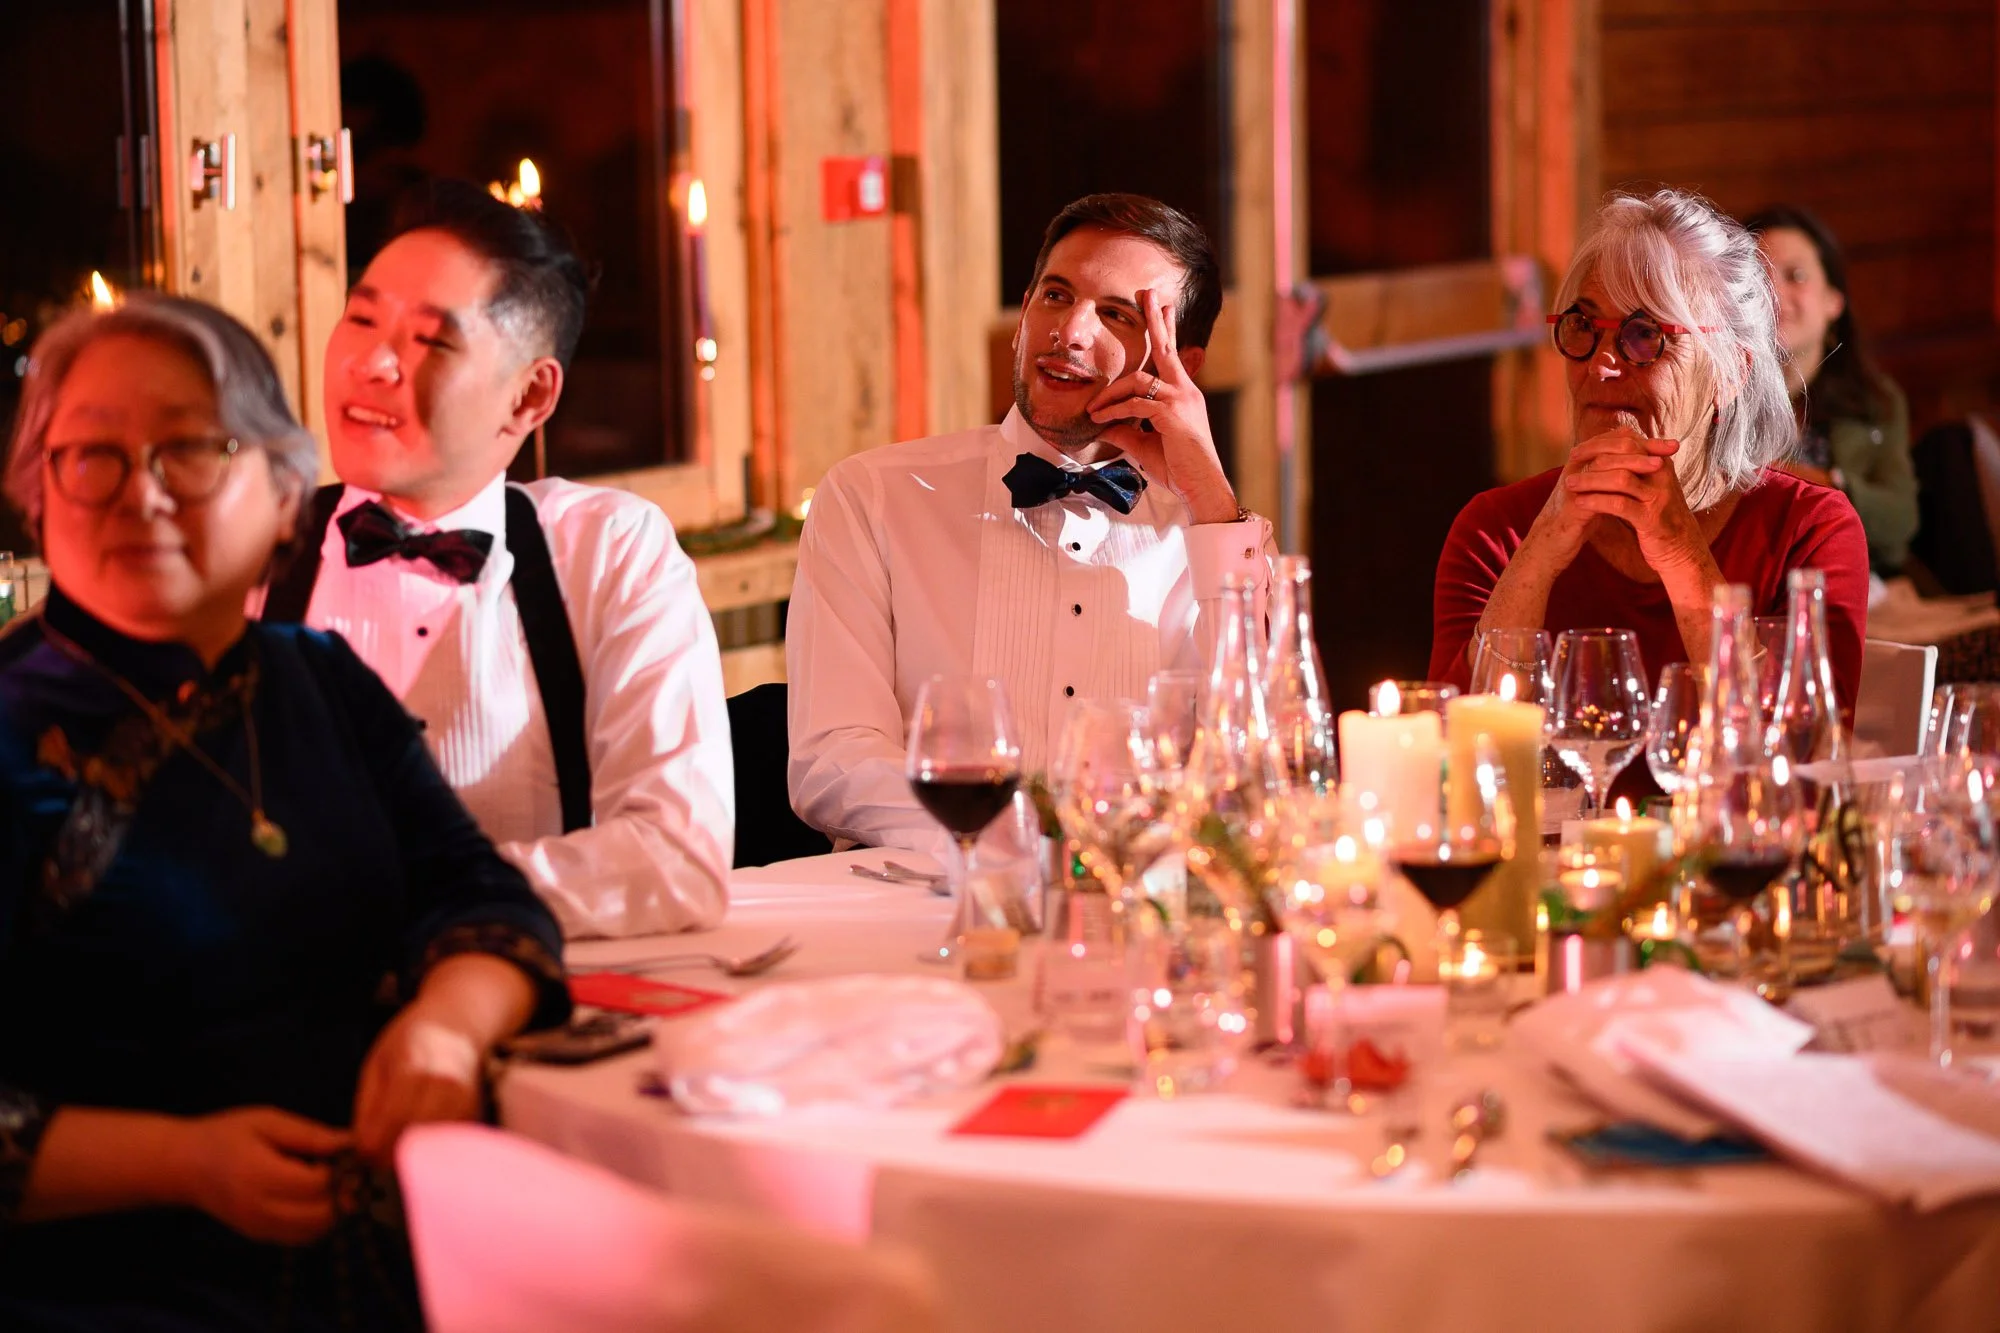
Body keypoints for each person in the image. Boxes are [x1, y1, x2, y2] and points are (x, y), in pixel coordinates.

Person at [0, 295, 569, 1328]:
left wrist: (446, 1029)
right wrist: (184, 1161)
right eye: (92, 456)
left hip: (391, 1262)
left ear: (283, 495)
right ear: (38, 498)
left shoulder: (316, 679)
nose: (144, 495)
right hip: (109, 1291)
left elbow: (481, 894)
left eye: (191, 449)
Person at [261, 179, 732, 938]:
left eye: (429, 341)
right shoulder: (251, 554)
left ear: (530, 397)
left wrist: (407, 894)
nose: (371, 364)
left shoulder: (610, 553)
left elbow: (679, 858)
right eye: (360, 318)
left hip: (543, 1001)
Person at [788, 193, 1271, 851]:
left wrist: (1211, 502)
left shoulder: (1215, 540)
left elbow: (1266, 759)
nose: (1070, 332)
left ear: (1179, 365)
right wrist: (1017, 837)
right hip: (917, 912)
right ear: (1022, 317)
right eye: (1055, 295)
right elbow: (832, 761)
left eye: (1115, 314)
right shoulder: (872, 496)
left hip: (1137, 916)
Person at [1429, 188, 1870, 711]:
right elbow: (1454, 748)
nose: (1602, 364)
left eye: (1645, 335)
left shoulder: (1808, 530)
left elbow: (1803, 752)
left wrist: (1681, 555)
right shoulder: (1496, 531)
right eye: (1584, 327)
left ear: (1731, 372)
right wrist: (1541, 552)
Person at [1745, 204, 1917, 574]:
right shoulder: (1718, 393)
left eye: (1796, 275)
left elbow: (1900, 520)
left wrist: (1819, 482)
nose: (1773, 293)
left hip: (1854, 585)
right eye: (1758, 276)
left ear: (1833, 301)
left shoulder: (1874, 400)